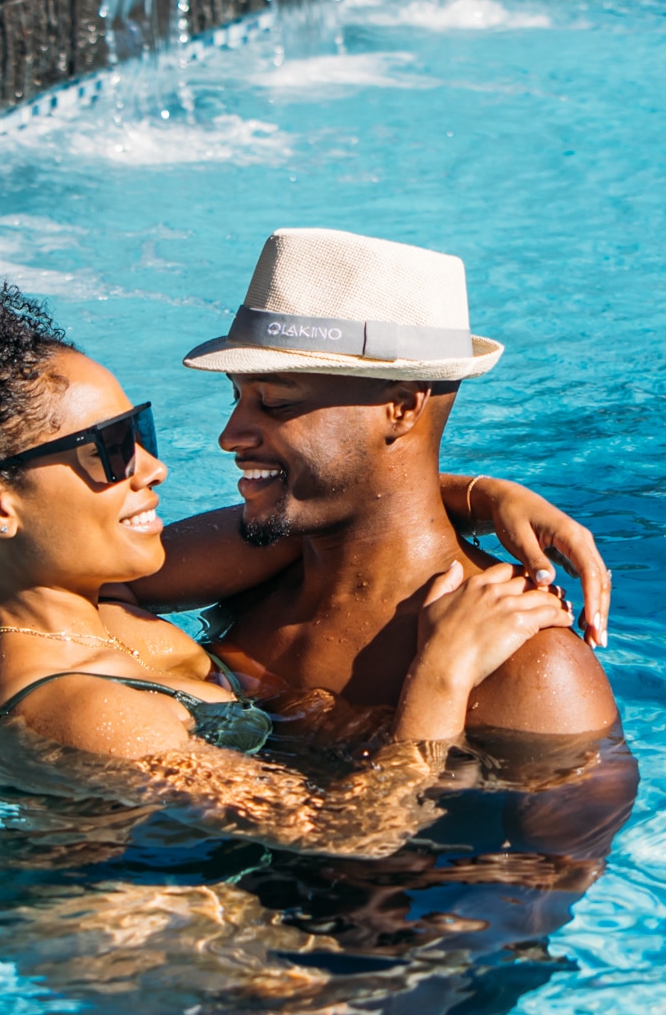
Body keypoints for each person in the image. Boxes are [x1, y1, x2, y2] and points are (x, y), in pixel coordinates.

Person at [0, 269, 597, 851]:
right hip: (207, 1001)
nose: (157, 465)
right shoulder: (83, 707)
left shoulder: (80, 598)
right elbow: (356, 832)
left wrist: (482, 494)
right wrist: (442, 674)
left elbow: (351, 506)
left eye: (137, 429)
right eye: (110, 451)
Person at [182, 227, 623, 794]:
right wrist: (477, 494)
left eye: (275, 401)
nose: (229, 435)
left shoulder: (527, 664)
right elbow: (70, 578)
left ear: (401, 405)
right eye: (235, 395)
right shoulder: (257, 570)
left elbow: (553, 873)